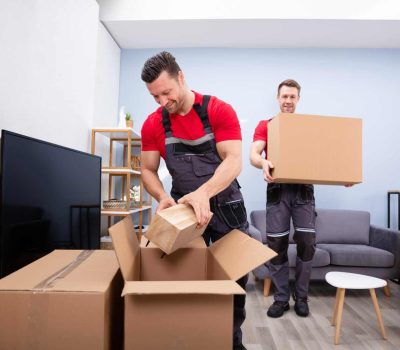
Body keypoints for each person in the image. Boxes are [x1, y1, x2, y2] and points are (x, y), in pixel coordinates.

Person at [140, 51, 249, 350]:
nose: (163, 102)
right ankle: (188, 339)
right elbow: (147, 169)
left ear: (181, 77)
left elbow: (234, 160)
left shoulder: (218, 110)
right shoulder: (153, 124)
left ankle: (231, 343)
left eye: (167, 92)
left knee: (233, 284)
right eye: (155, 97)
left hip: (227, 208)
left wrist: (204, 192)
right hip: (183, 211)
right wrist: (162, 196)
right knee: (181, 278)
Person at [249, 79, 316, 318]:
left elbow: (326, 157)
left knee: (307, 244)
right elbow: (254, 154)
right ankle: (281, 298)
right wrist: (263, 162)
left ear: (298, 99)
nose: (288, 101)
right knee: (277, 246)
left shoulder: (309, 127)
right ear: (278, 98)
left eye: (292, 97)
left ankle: (302, 297)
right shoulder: (266, 125)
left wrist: (341, 176)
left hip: (303, 191)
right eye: (284, 96)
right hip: (277, 191)